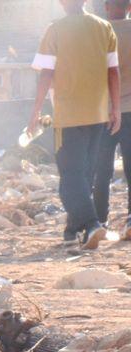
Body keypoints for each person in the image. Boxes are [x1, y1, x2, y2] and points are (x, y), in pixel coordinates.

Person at [28, 0, 121, 247]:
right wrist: (116, 109)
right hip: (98, 113)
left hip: (69, 115)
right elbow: (113, 71)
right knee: (84, 174)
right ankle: (72, 230)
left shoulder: (55, 30)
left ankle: (91, 224)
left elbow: (46, 73)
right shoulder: (104, 27)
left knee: (70, 177)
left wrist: (35, 111)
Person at [95, 0, 131, 236]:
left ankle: (99, 221)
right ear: (129, 7)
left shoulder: (99, 32)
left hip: (103, 112)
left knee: (102, 169)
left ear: (107, 7)